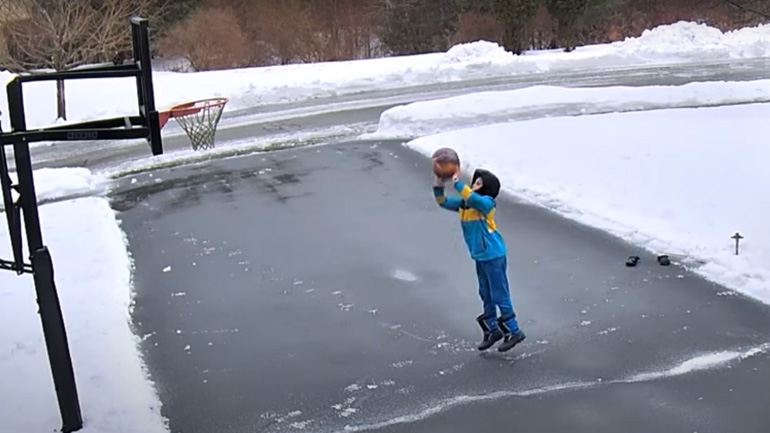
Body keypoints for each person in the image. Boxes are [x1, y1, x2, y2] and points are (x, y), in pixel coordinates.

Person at [433, 166, 526, 352]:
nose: (474, 185)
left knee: (499, 293)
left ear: (486, 188)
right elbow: (442, 202)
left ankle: (514, 331)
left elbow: (476, 200)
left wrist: (458, 184)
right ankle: (493, 330)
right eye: (474, 182)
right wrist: (439, 186)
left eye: (478, 183)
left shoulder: (487, 203)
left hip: (494, 255)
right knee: (485, 292)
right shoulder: (465, 204)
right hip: (480, 256)